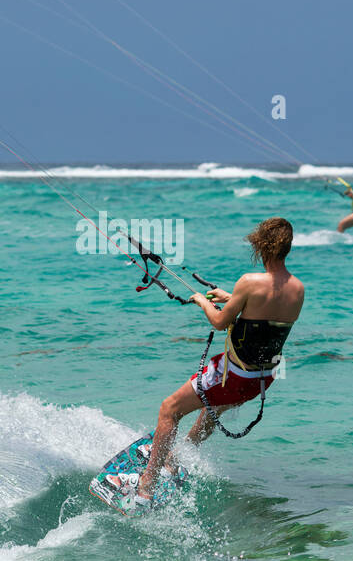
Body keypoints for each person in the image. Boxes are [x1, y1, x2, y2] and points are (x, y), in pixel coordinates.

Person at [126, 217, 304, 513]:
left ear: (262, 246)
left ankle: (147, 483)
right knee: (213, 407)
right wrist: (231, 298)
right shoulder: (298, 289)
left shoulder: (249, 282)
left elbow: (222, 323)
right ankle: (176, 457)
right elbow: (264, 319)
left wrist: (201, 301)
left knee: (169, 409)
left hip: (232, 376)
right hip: (260, 379)